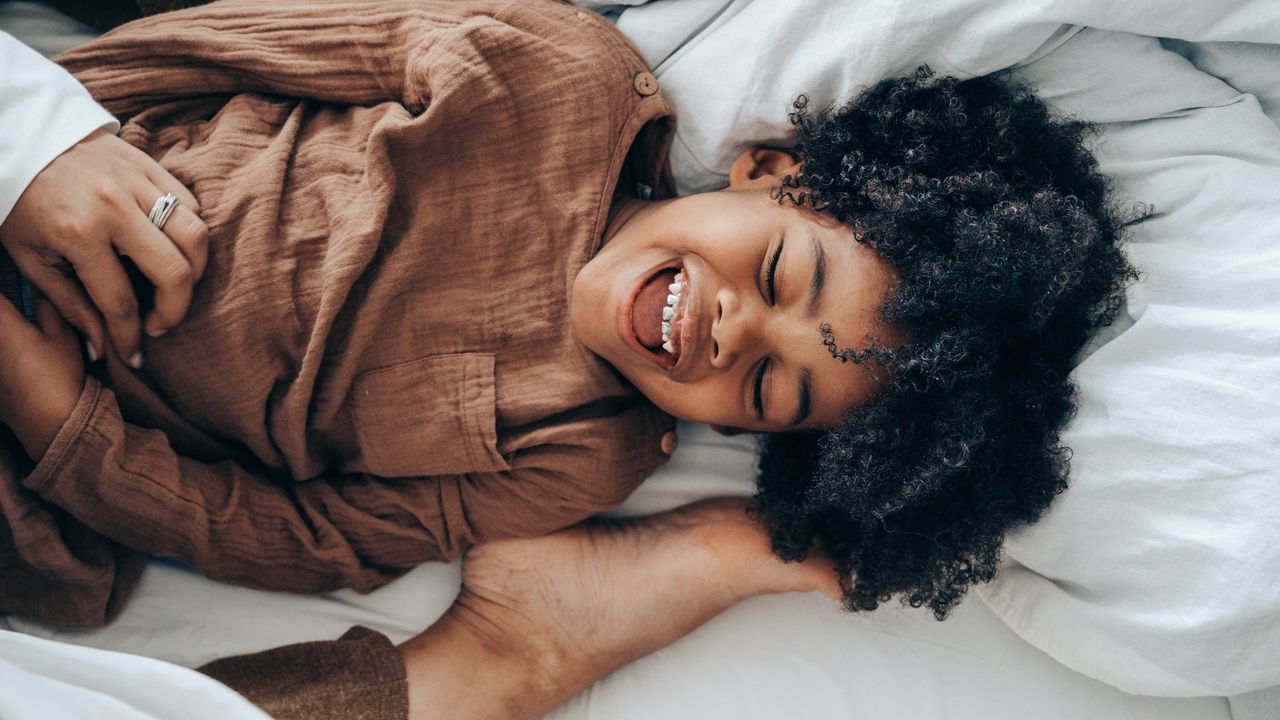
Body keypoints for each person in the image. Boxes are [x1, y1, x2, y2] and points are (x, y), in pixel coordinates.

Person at [1, 0, 1128, 670]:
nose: (738, 331)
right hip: (76, 175)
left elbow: (304, 541)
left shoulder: (575, 456)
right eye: (783, 272)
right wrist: (46, 140)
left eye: (773, 392)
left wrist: (66, 429)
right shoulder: (555, 76)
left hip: (41, 461)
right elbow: (244, 47)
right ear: (771, 172)